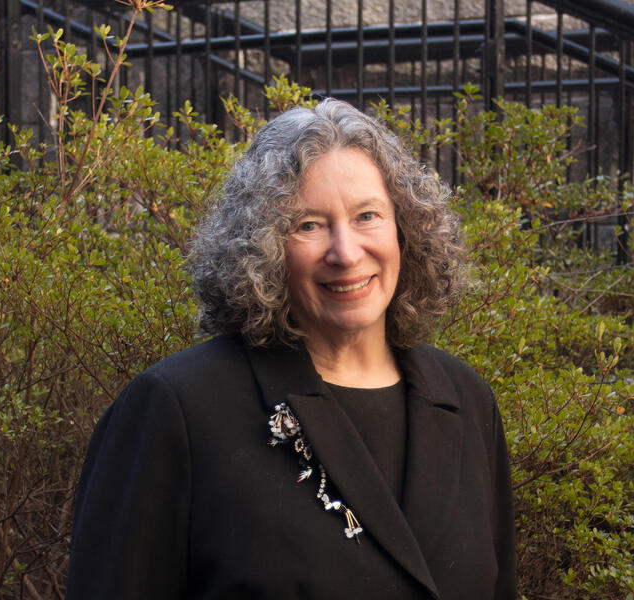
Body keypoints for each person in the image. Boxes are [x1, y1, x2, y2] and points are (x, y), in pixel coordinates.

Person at [66, 99, 516, 599]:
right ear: (263, 247)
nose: (345, 253)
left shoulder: (466, 401)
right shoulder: (178, 409)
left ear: (405, 231)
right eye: (308, 225)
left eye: (367, 215)